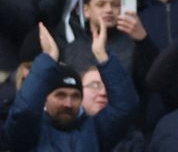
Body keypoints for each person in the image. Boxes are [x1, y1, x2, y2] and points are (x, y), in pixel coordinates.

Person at [4, 22, 137, 152]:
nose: (68, 103)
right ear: (44, 97)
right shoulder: (30, 132)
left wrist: (103, 57)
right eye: (60, 95)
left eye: (75, 96)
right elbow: (24, 111)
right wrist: (47, 61)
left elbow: (125, 106)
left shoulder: (95, 130)